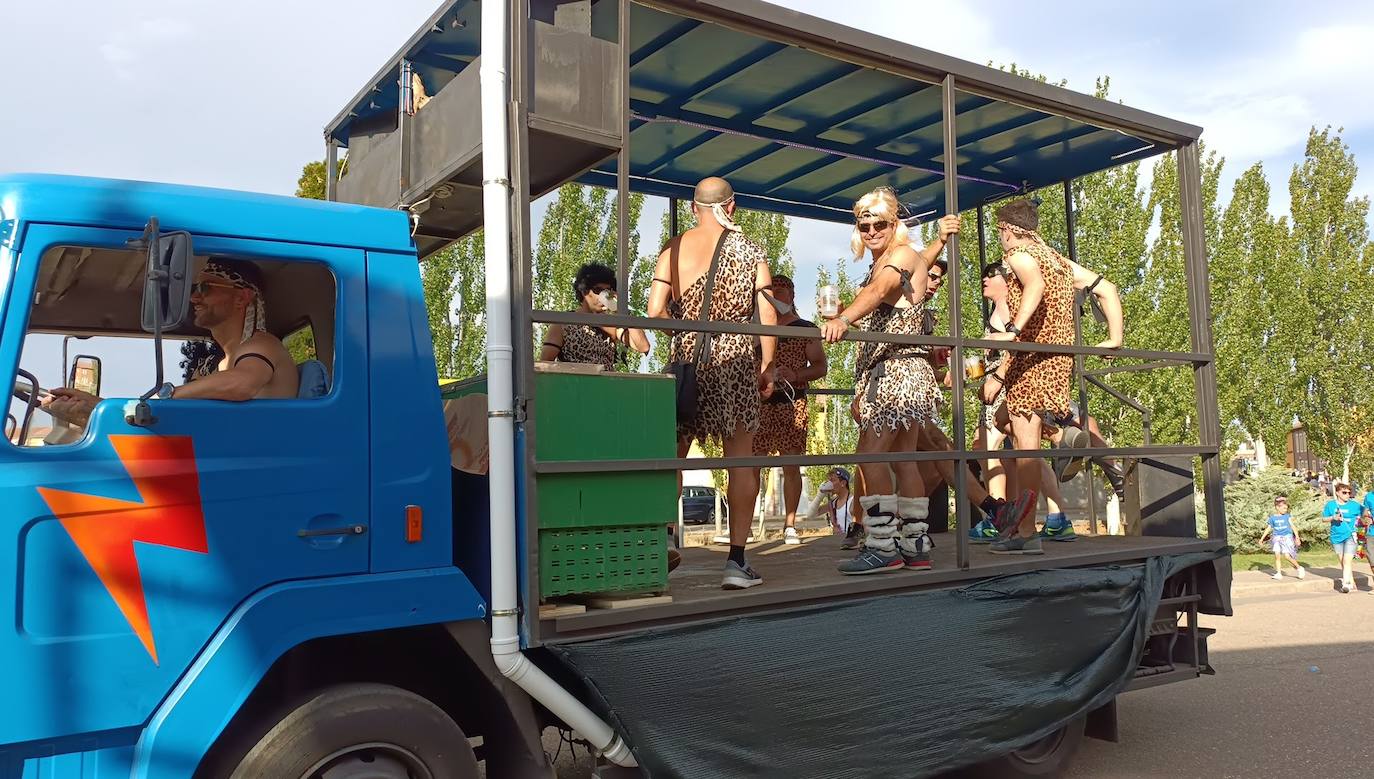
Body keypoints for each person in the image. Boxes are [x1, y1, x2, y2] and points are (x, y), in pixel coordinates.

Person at [821, 187, 960, 574]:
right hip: (904, 370)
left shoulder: (897, 256)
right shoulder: (901, 255)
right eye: (863, 225)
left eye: (878, 223)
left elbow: (882, 289)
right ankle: (915, 544)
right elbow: (917, 265)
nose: (870, 230)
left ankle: (883, 545)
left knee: (871, 455)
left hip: (895, 372)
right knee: (905, 460)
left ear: (893, 223)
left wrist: (844, 319)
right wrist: (940, 239)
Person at [648, 177, 777, 590]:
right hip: (736, 358)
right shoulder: (750, 249)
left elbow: (654, 312)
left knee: (672, 454)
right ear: (732, 206)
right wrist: (768, 366)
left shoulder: (673, 249)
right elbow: (768, 317)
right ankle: (736, 562)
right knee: (740, 460)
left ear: (692, 207)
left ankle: (662, 537)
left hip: (686, 358)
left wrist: (687, 333)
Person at [43, 258, 298, 426]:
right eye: (194, 289)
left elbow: (242, 383)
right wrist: (96, 408)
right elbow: (181, 422)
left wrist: (165, 396)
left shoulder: (263, 345)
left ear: (242, 298)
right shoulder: (220, 365)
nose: (194, 298)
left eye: (205, 288)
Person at [981, 200, 1081, 555]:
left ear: (1006, 230)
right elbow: (1102, 285)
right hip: (1057, 356)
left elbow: (1034, 286)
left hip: (1033, 358)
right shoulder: (1054, 257)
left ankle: (1025, 532)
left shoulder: (1021, 255)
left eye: (1000, 233)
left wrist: (1013, 329)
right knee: (1016, 432)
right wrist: (1113, 335)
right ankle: (1064, 436)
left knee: (1025, 450)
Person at [753, 274, 827, 545]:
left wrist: (795, 373)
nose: (777, 294)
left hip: (790, 402)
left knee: (791, 465)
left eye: (782, 290)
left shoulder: (805, 328)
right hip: (759, 404)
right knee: (750, 465)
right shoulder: (756, 328)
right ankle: (745, 522)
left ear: (792, 294)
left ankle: (790, 525)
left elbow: (820, 366)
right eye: (772, 290)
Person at [540, 262, 650, 368]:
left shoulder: (612, 325)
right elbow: (545, 364)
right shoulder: (562, 324)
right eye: (598, 290)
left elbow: (643, 346)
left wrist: (623, 312)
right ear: (584, 291)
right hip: (574, 384)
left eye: (608, 292)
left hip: (606, 385)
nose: (605, 296)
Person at [1323, 483, 1361, 593]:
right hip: (1336, 536)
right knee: (1342, 561)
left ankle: (1346, 584)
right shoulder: (1330, 505)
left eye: (1349, 493)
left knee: (1347, 560)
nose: (1347, 495)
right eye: (1344, 493)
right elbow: (1324, 519)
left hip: (1350, 535)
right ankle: (1352, 582)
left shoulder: (1354, 505)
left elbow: (1365, 513)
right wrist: (1333, 517)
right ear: (1338, 493)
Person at [1260, 495, 1304, 580]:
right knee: (1277, 555)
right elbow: (1268, 528)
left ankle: (1299, 568)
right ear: (1277, 507)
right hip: (1276, 538)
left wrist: (1297, 537)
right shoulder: (1272, 518)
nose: (1285, 510)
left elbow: (1293, 526)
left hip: (1287, 537)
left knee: (1287, 556)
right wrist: (1262, 538)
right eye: (1283, 508)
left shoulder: (1287, 516)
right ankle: (1279, 573)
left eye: (1286, 508)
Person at [823, 468, 852, 536]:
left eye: (832, 480)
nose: (829, 484)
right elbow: (811, 514)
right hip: (837, 542)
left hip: (851, 543)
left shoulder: (853, 501)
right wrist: (820, 495)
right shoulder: (833, 503)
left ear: (843, 483)